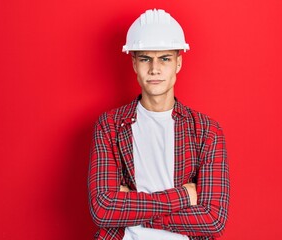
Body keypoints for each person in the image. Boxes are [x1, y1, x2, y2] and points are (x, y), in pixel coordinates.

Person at [88, 9, 230, 240]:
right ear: (134, 64)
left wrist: (128, 207)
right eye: (145, 58)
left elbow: (213, 219)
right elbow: (103, 210)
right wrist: (183, 197)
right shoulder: (110, 126)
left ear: (178, 63)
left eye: (165, 58)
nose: (154, 68)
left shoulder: (206, 131)